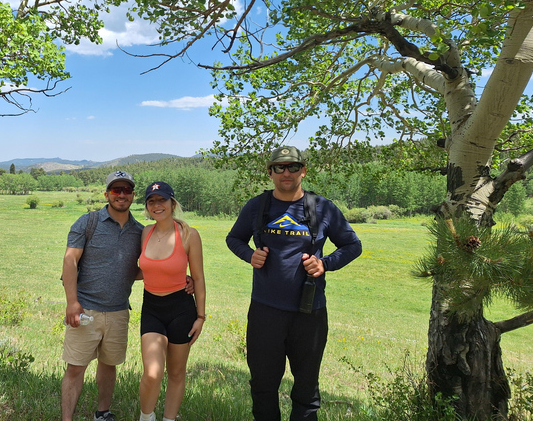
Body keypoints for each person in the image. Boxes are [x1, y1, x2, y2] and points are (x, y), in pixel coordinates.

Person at [226, 146, 362, 421]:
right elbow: (234, 239)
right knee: (263, 386)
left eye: (292, 166)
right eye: (279, 167)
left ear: (303, 170)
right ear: (270, 172)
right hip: (265, 311)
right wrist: (250, 255)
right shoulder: (257, 206)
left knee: (306, 389)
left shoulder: (322, 207)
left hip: (309, 313)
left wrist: (325, 263)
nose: (286, 172)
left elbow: (352, 245)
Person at [61, 171, 194, 421]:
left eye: (126, 190)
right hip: (85, 309)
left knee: (109, 365)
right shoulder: (87, 222)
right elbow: (70, 261)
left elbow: (145, 268)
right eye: (115, 190)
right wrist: (72, 302)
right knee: (75, 368)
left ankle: (103, 412)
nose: (121, 194)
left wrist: (182, 279)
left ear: (133, 196)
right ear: (107, 194)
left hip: (119, 310)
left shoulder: (140, 232)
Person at [138, 181, 206, 421]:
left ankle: (169, 419)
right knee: (153, 373)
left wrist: (201, 316)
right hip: (152, 309)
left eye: (162, 200)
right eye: (151, 202)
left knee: (177, 374)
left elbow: (198, 277)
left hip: (181, 311)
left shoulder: (189, 234)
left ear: (172, 203)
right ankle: (146, 417)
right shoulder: (145, 233)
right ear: (147, 207)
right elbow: (142, 269)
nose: (157, 206)